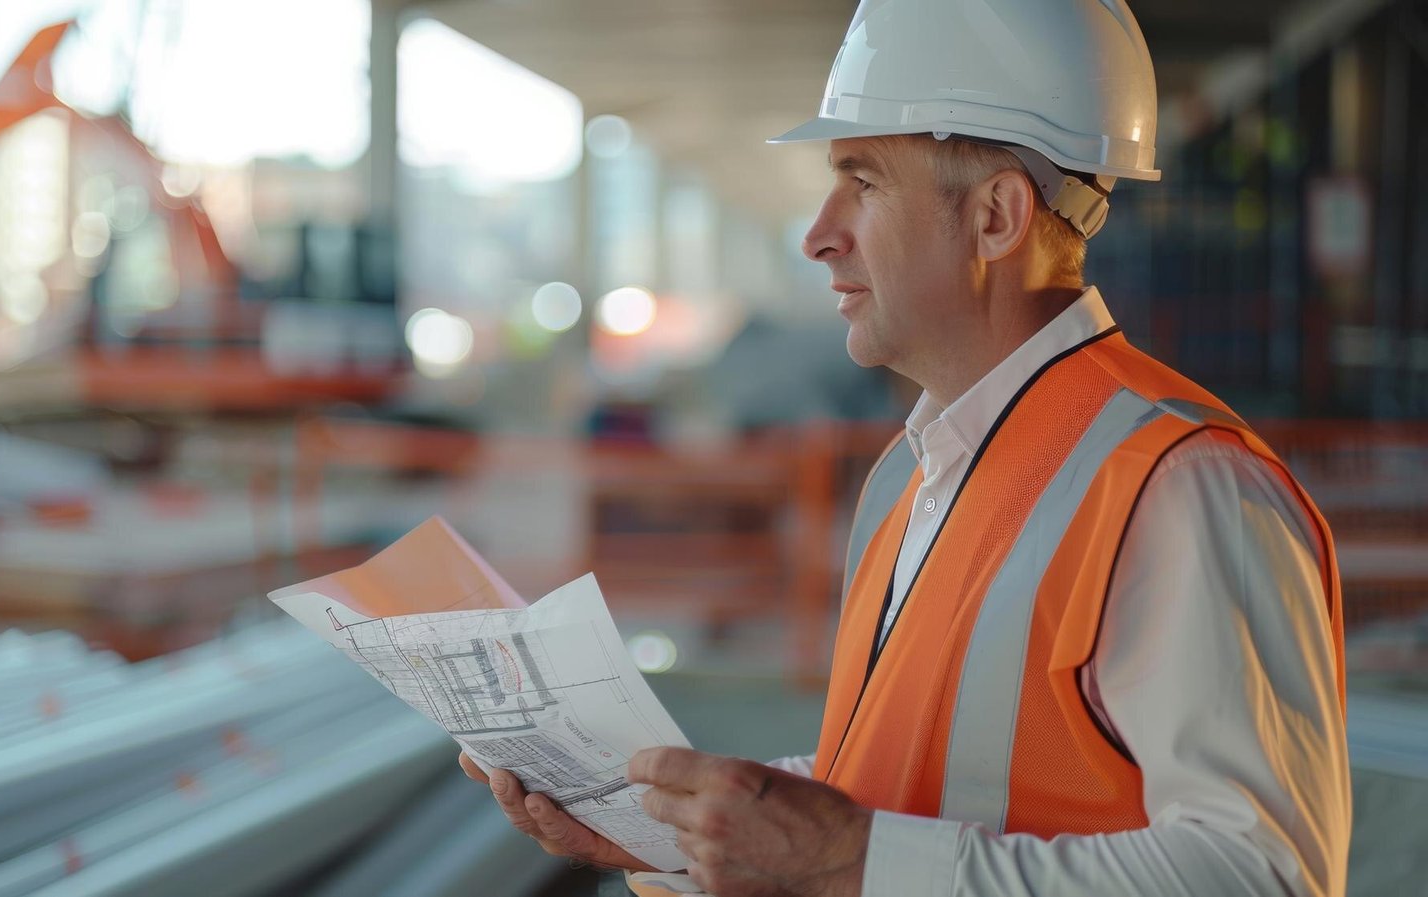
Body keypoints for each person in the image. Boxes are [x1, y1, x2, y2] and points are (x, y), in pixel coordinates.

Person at [461, 1, 1351, 894]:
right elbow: (897, 791)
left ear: (997, 218)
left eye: (866, 181)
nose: (818, 234)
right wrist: (670, 833)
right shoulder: (912, 478)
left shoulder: (1180, 487)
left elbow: (1262, 873)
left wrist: (851, 859)